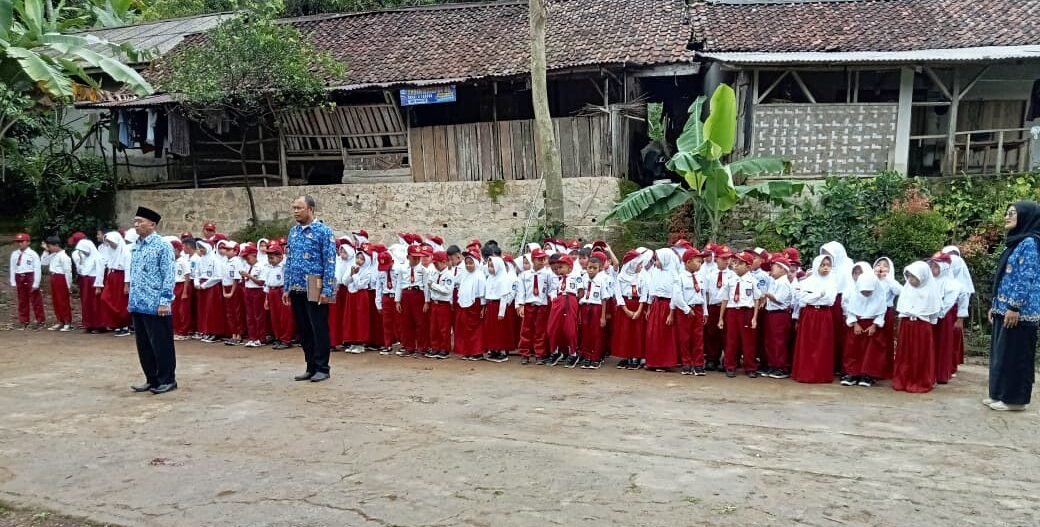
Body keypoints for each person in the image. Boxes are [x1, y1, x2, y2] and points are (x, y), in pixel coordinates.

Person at [986, 201, 1040, 411]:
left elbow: (1025, 277)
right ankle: (999, 393)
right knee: (1001, 355)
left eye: (1012, 214)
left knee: (1016, 356)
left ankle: (1014, 399)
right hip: (1004, 309)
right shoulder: (1015, 242)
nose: (1006, 217)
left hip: (1020, 313)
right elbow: (1005, 277)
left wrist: (1014, 306)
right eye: (1006, 213)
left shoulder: (1030, 243)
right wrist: (996, 304)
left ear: (1026, 217)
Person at [285, 195, 337, 382]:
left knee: (318, 327)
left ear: (311, 209)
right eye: (294, 208)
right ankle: (310, 365)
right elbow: (289, 260)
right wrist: (286, 286)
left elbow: (330, 261)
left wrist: (327, 290)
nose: (295, 211)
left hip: (315, 283)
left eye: (299, 207)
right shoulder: (293, 232)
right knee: (304, 329)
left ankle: (323, 367)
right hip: (297, 285)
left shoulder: (324, 231)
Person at [127, 207, 177, 395]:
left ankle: (167, 379)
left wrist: (165, 300)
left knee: (161, 344)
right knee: (144, 345)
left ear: (153, 224)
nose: (136, 225)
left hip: (156, 304)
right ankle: (152, 378)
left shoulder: (162, 245)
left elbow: (168, 274)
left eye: (140, 221)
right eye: (135, 221)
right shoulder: (136, 246)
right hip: (138, 303)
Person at [893, 261, 941, 394]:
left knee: (919, 354)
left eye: (914, 277)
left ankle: (919, 380)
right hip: (907, 325)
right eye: (909, 277)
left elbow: (933, 313)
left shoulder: (930, 291)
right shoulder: (907, 289)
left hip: (921, 327)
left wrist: (929, 321)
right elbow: (902, 308)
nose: (911, 280)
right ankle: (902, 379)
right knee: (905, 353)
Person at [792, 255, 838, 384]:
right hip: (809, 313)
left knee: (822, 344)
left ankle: (821, 374)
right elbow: (803, 299)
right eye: (823, 265)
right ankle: (805, 373)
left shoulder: (832, 282)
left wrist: (814, 296)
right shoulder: (807, 281)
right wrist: (819, 294)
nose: (825, 268)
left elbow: (830, 300)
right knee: (808, 344)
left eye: (828, 265)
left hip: (824, 314)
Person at [718, 251, 762, 378]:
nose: (736, 266)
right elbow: (725, 299)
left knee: (748, 341)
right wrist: (721, 318)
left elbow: (756, 300)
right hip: (732, 312)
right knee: (731, 340)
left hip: (746, 311)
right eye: (735, 263)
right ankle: (730, 365)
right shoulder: (730, 280)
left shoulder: (753, 281)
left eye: (740, 263)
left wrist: (754, 318)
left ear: (748, 266)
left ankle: (750, 367)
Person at [841, 273, 888, 387]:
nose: (866, 294)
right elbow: (850, 311)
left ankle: (867, 375)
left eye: (869, 291)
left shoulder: (880, 297)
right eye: (863, 291)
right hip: (857, 326)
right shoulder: (854, 296)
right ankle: (852, 373)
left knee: (871, 352)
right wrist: (855, 323)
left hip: (871, 327)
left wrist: (875, 325)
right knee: (853, 350)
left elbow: (881, 313)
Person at [672, 247, 708, 376]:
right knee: (685, 338)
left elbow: (703, 295)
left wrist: (705, 312)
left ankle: (698, 364)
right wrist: (687, 309)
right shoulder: (680, 277)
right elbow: (677, 297)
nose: (700, 264)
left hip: (698, 308)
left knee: (698, 338)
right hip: (685, 310)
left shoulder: (700, 277)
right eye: (698, 261)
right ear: (688, 262)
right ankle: (686, 363)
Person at [644, 248, 680, 372]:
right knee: (652, 334)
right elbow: (651, 290)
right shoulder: (656, 272)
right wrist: (649, 307)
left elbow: (674, 295)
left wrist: (671, 313)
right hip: (656, 304)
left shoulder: (673, 275)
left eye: (658, 259)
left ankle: (664, 362)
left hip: (666, 305)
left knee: (664, 335)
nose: (656, 262)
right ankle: (653, 361)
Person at [612, 249, 649, 370]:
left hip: (637, 304)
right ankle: (627, 356)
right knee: (625, 332)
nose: (640, 267)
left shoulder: (642, 276)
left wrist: (639, 310)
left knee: (637, 332)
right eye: (638, 264)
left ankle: (637, 356)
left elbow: (644, 294)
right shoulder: (621, 277)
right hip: (625, 305)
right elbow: (618, 294)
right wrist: (626, 310)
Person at [394, 244, 430, 358]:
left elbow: (426, 285)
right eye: (414, 257)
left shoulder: (423, 270)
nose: (416, 259)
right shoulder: (402, 269)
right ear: (408, 257)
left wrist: (426, 301)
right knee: (406, 323)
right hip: (406, 294)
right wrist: (397, 300)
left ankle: (421, 347)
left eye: (418, 257)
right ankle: (409, 347)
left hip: (418, 294)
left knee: (420, 322)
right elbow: (399, 284)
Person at [516, 249, 551, 365]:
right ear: (532, 260)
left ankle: (539, 354)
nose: (541, 262)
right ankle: (525, 353)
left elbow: (551, 290)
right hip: (529, 305)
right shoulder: (524, 275)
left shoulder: (547, 274)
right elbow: (521, 291)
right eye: (538, 259)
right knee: (526, 330)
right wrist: (520, 305)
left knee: (540, 331)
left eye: (543, 259)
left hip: (542, 305)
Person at [762, 256, 794, 379]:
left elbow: (780, 300)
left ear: (782, 269)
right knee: (770, 341)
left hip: (780, 315)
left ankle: (781, 366)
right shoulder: (775, 281)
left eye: (774, 267)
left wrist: (768, 295)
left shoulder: (784, 283)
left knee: (779, 341)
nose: (771, 270)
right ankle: (772, 364)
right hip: (771, 314)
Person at [547, 254, 582, 366]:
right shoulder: (557, 279)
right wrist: (554, 298)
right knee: (552, 328)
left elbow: (581, 291)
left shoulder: (576, 276)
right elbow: (553, 290)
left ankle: (573, 353)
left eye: (561, 267)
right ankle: (555, 351)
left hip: (570, 300)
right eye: (558, 267)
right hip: (559, 301)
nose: (558, 269)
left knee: (570, 329)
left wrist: (575, 301)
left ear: (570, 267)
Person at [96, 231, 132, 336]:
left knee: (120, 302)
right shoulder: (110, 251)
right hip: (111, 276)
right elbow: (105, 263)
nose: (110, 244)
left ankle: (124, 325)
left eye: (111, 242)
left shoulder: (125, 252)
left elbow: (128, 268)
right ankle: (117, 323)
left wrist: (126, 284)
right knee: (105, 298)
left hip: (120, 277)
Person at [577, 254, 609, 369]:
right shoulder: (583, 278)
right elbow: (580, 294)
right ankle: (587, 357)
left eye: (594, 268)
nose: (591, 270)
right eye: (589, 267)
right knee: (586, 333)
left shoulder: (602, 280)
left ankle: (595, 358)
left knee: (596, 334)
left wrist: (603, 316)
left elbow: (604, 299)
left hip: (597, 308)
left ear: (599, 268)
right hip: (585, 307)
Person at [454, 250, 486, 360]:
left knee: (475, 329)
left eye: (471, 263)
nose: (468, 265)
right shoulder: (464, 275)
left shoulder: (479, 276)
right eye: (466, 263)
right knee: (465, 328)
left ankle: (477, 352)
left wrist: (483, 307)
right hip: (464, 305)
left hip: (475, 305)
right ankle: (467, 350)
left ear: (476, 263)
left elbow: (482, 294)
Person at [262, 243, 295, 350]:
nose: (270, 260)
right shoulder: (269, 268)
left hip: (282, 291)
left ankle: (286, 339)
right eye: (269, 257)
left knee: (284, 317)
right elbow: (267, 284)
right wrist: (266, 299)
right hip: (272, 292)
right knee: (274, 317)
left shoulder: (284, 266)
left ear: (280, 257)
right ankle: (278, 337)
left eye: (272, 257)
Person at [483, 256, 515, 363]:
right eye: (489, 266)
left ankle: (501, 351)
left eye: (492, 266)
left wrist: (501, 312)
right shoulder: (490, 278)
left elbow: (503, 297)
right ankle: (493, 350)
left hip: (498, 307)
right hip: (491, 306)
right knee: (491, 329)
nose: (490, 268)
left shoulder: (503, 279)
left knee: (500, 330)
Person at [10, 233, 45, 330]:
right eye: (18, 242)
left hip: (30, 275)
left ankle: (40, 320)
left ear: (28, 242)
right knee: (22, 300)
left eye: (22, 241)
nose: (20, 244)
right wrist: (13, 281)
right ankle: (24, 320)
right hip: (19, 275)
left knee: (35, 299)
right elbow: (13, 268)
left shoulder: (32, 254)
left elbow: (37, 269)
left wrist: (36, 283)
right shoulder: (15, 254)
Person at [240, 244, 269, 348]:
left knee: (258, 315)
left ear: (253, 255)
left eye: (248, 258)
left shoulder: (261, 266)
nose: (246, 260)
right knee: (250, 315)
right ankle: (253, 337)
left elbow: (261, 282)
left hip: (257, 291)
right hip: (248, 290)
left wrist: (249, 276)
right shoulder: (247, 266)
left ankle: (261, 338)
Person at [426, 250, 454, 359]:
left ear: (443, 262)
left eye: (436, 263)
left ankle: (444, 348)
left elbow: (447, 290)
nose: (434, 265)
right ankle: (435, 347)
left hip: (444, 304)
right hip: (435, 303)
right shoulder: (434, 273)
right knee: (434, 327)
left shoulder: (449, 275)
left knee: (444, 328)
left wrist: (433, 286)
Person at [41, 236, 74, 331]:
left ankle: (67, 322)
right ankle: (60, 321)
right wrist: (46, 251)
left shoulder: (64, 256)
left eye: (50, 246)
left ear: (56, 245)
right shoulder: (53, 254)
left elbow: (68, 272)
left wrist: (68, 285)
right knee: (56, 301)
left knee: (63, 301)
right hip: (54, 277)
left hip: (61, 278)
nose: (49, 248)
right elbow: (43, 262)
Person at [74, 238, 105, 333]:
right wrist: (79, 262)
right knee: (87, 303)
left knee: (96, 305)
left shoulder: (98, 257)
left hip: (94, 282)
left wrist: (98, 286)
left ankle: (99, 325)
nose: (84, 252)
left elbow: (100, 272)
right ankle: (89, 324)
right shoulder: (85, 258)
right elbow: (82, 270)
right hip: (86, 281)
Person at [374, 250, 398, 355]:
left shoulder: (398, 271)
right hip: (386, 297)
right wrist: (378, 303)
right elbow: (378, 288)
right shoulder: (380, 273)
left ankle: (402, 343)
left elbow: (400, 286)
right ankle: (387, 344)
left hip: (395, 297)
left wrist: (399, 300)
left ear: (392, 262)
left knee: (399, 322)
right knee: (386, 323)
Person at [171, 238, 194, 341]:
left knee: (183, 310)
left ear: (177, 250)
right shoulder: (172, 261)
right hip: (174, 286)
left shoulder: (183, 261)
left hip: (182, 285)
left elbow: (187, 276)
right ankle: (176, 329)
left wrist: (185, 291)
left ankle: (183, 331)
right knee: (174, 309)